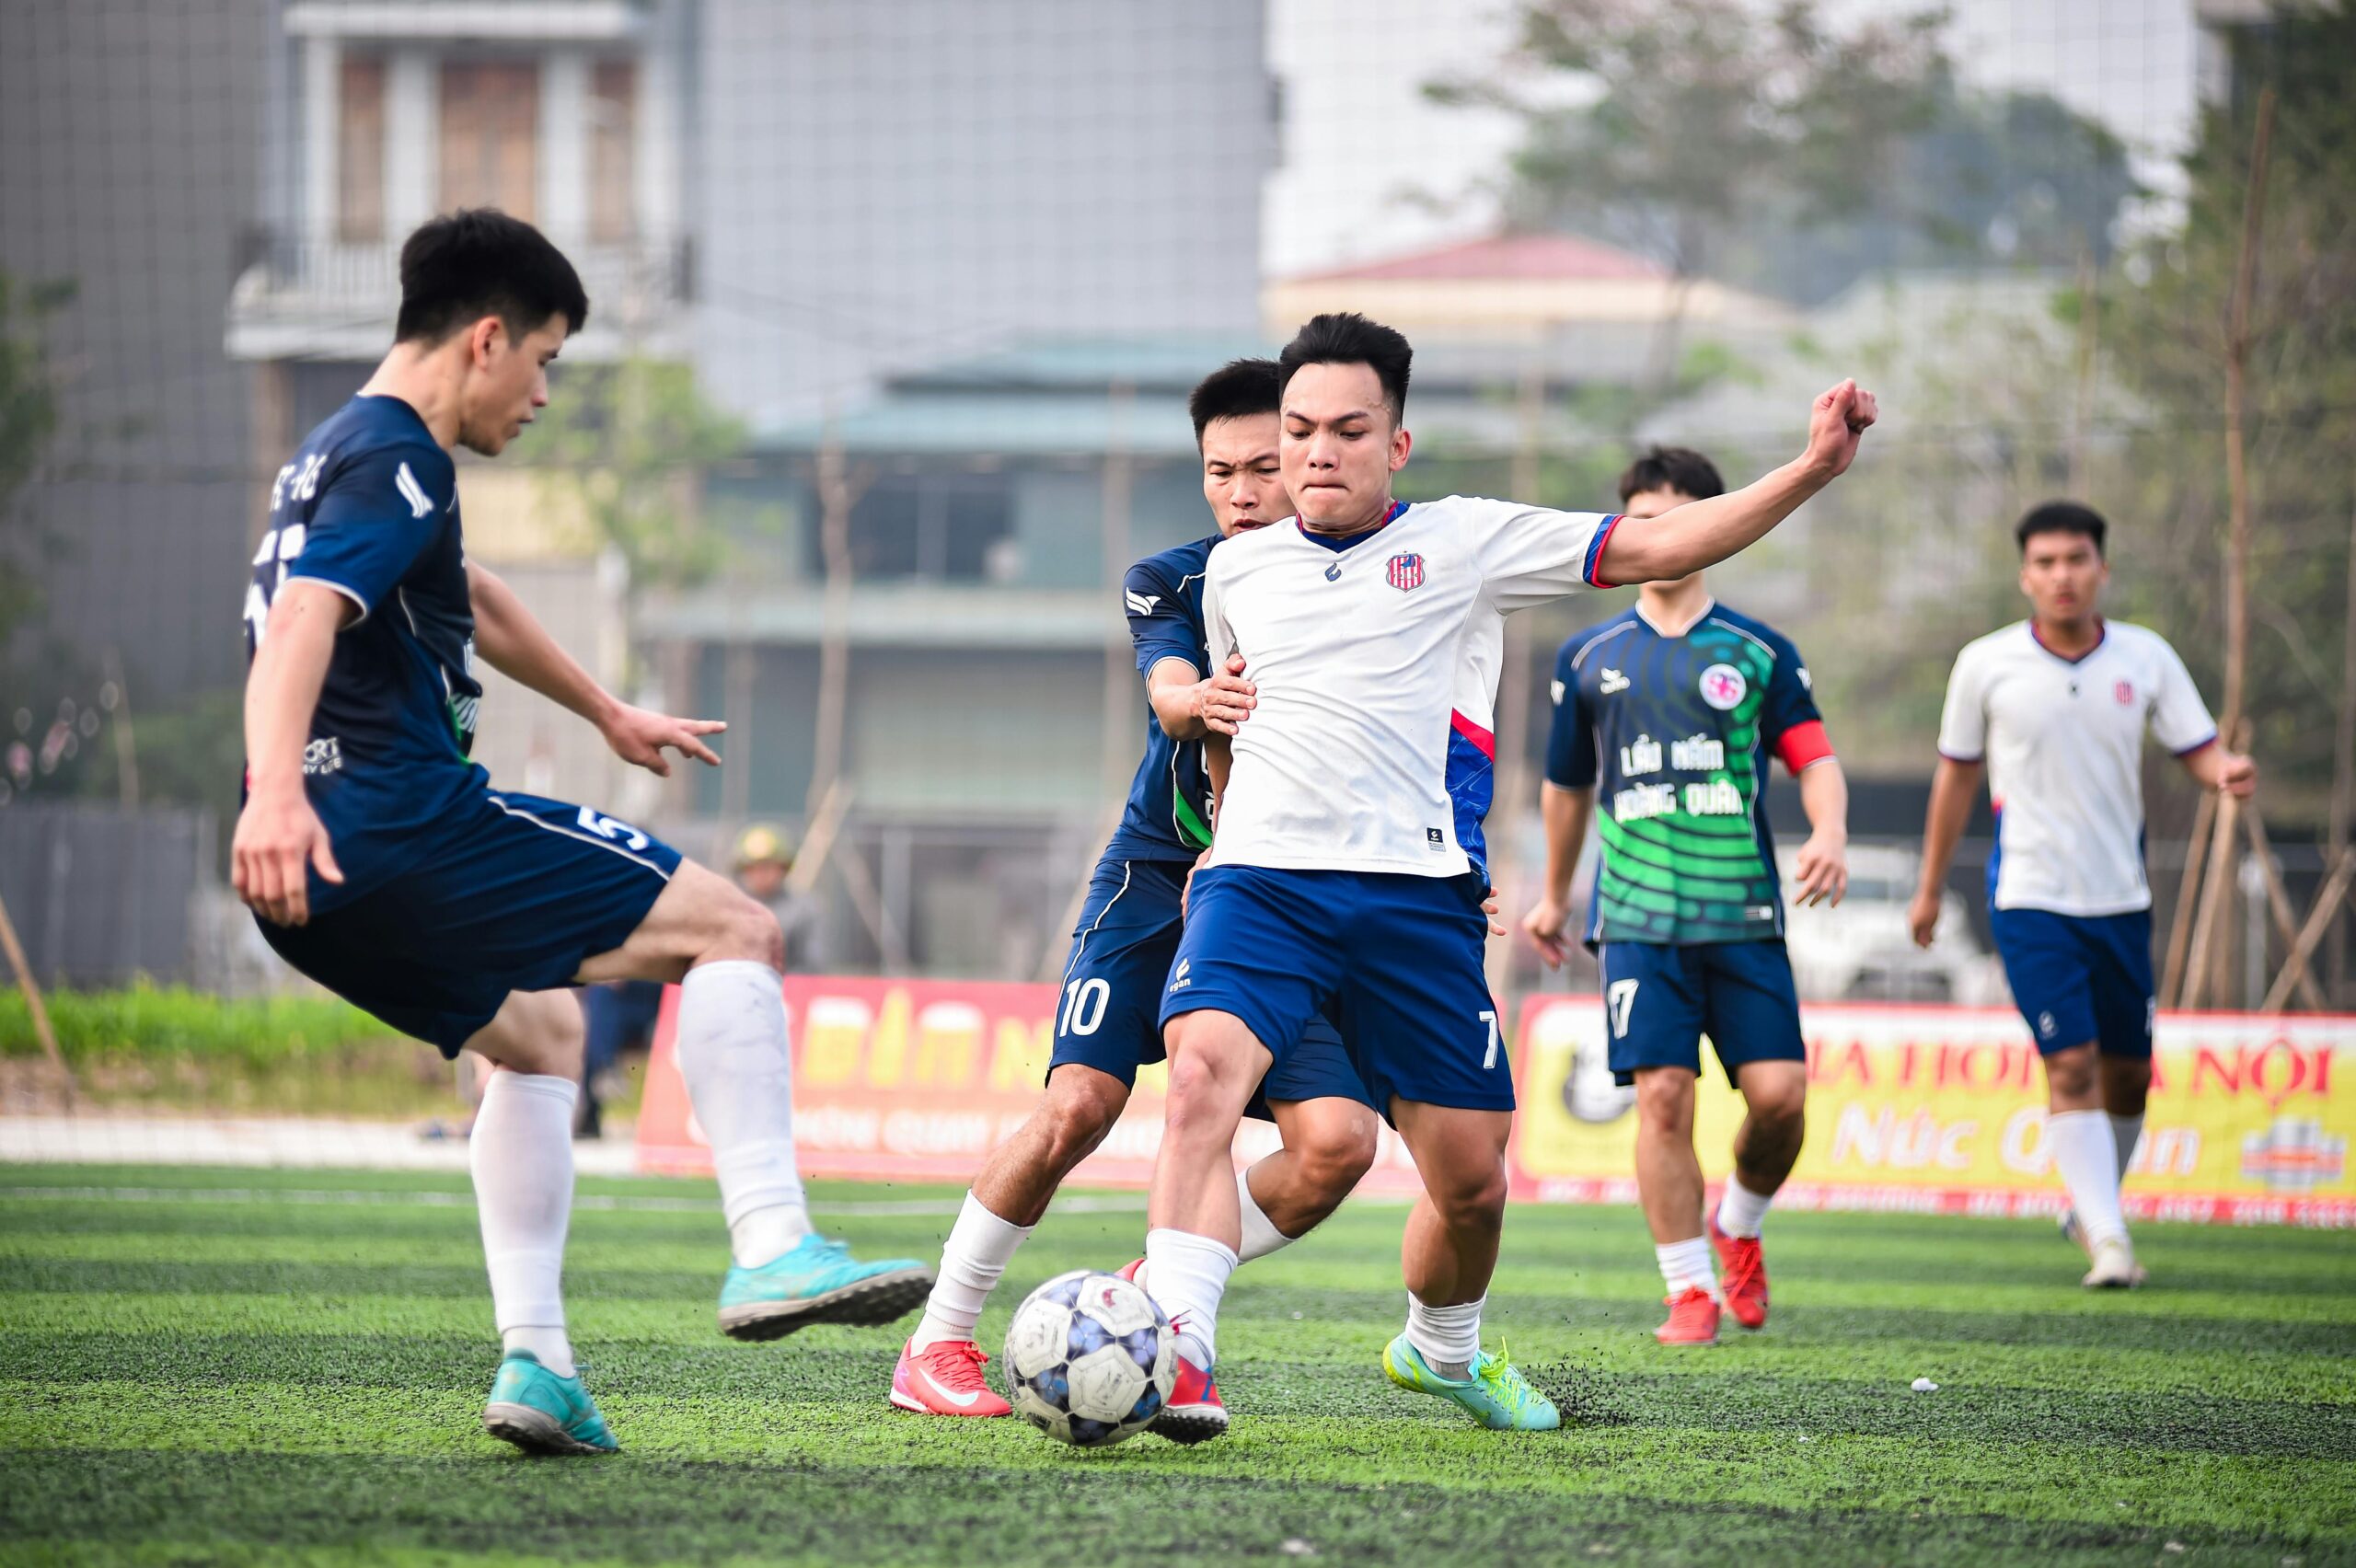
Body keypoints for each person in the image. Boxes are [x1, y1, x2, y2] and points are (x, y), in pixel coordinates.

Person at [232, 210, 930, 1457]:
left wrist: (603, 708)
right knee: (737, 926)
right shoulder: (396, 457)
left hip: (316, 878)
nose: (546, 392)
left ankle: (538, 1363)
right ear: (486, 338)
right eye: (545, 359)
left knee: (546, 1036)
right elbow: (299, 627)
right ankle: (771, 1243)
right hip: (395, 823)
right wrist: (273, 789)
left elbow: (468, 593)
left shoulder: (346, 456)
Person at [1147, 311, 1877, 1434]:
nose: (1314, 454)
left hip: (1415, 896)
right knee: (1201, 1081)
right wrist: (1215, 828)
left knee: (1473, 1182)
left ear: (1397, 443)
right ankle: (1177, 1348)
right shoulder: (1237, 571)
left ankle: (1441, 1349)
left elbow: (1658, 551)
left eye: (1347, 429)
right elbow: (1227, 728)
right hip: (1261, 883)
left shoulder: (1465, 541)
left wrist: (1813, 469)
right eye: (1297, 432)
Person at [890, 359, 1389, 1442]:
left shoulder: (1372, 585)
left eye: (1268, 464)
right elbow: (1168, 690)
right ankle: (937, 1340)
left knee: (1341, 1143)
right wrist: (1196, 701)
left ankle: (1161, 1293)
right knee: (1078, 1107)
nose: (1246, 489)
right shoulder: (1172, 576)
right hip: (1158, 874)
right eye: (1223, 470)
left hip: (1286, 895)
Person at [1520, 446, 1849, 1347]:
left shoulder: (1757, 652)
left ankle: (1738, 1225)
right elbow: (1565, 787)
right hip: (1633, 918)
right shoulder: (1587, 656)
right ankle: (1687, 1290)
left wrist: (1827, 831)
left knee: (1779, 1098)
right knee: (1663, 1096)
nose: (1656, 536)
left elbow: (1813, 757)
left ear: (1713, 527)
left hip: (1741, 916)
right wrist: (1553, 895)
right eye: (1640, 519)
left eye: (1674, 517)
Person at [1908, 501, 2255, 1288]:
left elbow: (2197, 747)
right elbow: (1955, 777)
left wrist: (2225, 773)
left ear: (2102, 568)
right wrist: (1928, 890)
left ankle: (2091, 1207)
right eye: (2046, 562)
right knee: (2070, 1064)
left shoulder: (2146, 657)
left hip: (2121, 899)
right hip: (2030, 898)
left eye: (2076, 560)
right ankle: (2110, 1241)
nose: (2061, 575)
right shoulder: (1986, 664)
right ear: (2024, 574)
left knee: (2129, 1074)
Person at [733, 823, 826, 973]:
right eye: (753, 868)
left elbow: (812, 963)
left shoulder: (802, 910)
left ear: (783, 868)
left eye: (767, 867)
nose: (760, 874)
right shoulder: (730, 908)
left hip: (787, 990)